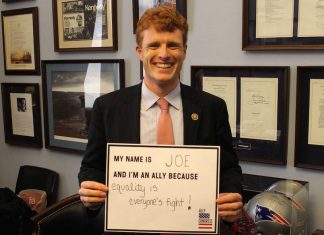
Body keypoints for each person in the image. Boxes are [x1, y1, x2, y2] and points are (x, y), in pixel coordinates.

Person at [78, 5, 243, 233]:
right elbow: (92, 167)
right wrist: (89, 191)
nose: (164, 54)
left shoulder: (212, 108)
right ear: (139, 51)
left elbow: (228, 169)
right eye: (154, 45)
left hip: (194, 227)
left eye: (173, 45)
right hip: (130, 227)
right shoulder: (108, 108)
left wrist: (232, 197)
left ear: (184, 50)